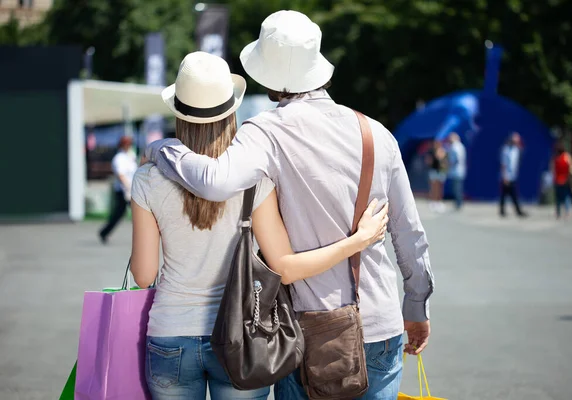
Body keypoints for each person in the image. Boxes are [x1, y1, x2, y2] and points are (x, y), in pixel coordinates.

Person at [146, 11, 434, 399]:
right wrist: (415, 305)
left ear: (268, 75)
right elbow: (409, 233)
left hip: (306, 329)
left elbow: (214, 182)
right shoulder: (377, 134)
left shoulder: (265, 133)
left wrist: (161, 148)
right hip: (377, 325)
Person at [99, 135, 137, 243]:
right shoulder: (119, 158)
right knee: (125, 213)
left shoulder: (130, 155)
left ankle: (104, 232)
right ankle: (104, 232)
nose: (128, 146)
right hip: (123, 190)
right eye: (126, 144)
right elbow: (121, 175)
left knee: (124, 213)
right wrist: (127, 187)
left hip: (131, 189)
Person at [500, 132, 527, 218]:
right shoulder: (506, 150)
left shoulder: (516, 149)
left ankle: (503, 211)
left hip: (513, 175)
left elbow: (522, 151)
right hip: (507, 175)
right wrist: (504, 176)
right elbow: (503, 164)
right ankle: (516, 211)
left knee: (506, 194)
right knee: (510, 194)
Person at [551, 142, 572, 219]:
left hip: (557, 180)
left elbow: (552, 170)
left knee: (558, 197)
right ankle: (567, 212)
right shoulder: (567, 157)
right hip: (566, 180)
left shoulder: (555, 158)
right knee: (567, 196)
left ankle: (558, 213)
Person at [426, 140, 447, 212]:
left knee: (440, 188)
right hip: (433, 171)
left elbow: (444, 161)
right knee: (433, 187)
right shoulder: (431, 152)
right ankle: (433, 201)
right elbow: (428, 161)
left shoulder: (442, 151)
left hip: (440, 172)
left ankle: (438, 202)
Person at [447, 132, 467, 210]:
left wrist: (451, 164)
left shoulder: (455, 147)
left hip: (456, 171)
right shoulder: (461, 146)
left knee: (457, 188)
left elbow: (456, 159)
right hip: (459, 170)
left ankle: (458, 204)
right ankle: (458, 203)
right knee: (458, 188)